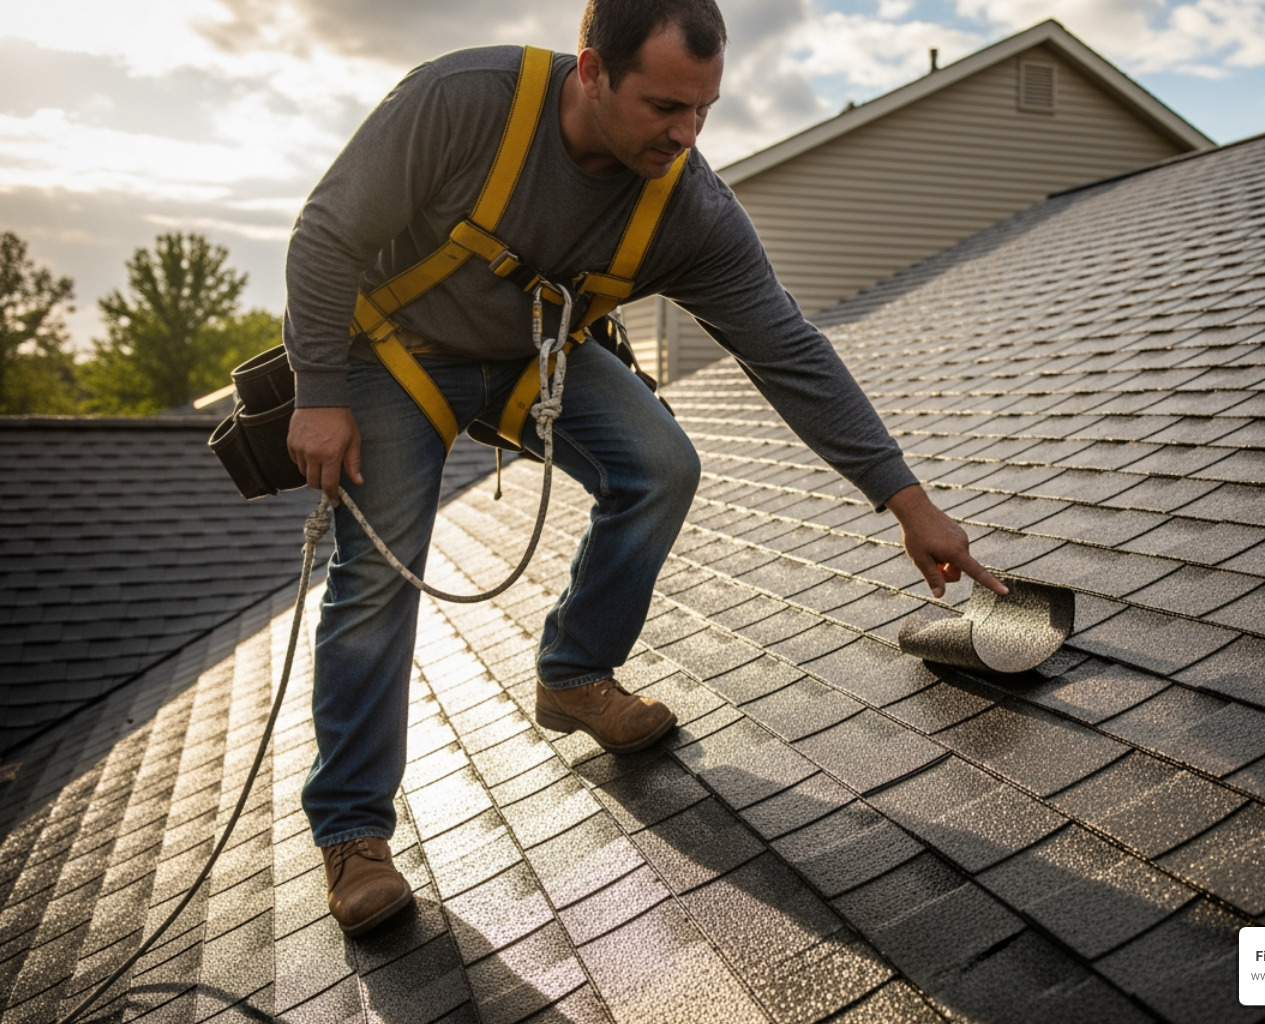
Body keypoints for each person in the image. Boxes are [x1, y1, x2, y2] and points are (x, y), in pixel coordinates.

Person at [282, 0, 1004, 937]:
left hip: (531, 359)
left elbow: (788, 348)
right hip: (392, 354)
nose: (685, 134)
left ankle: (575, 673)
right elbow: (325, 233)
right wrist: (318, 392)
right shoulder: (464, 101)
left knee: (662, 464)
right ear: (591, 72)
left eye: (703, 110)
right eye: (665, 106)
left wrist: (909, 504)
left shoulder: (688, 208)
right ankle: (351, 835)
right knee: (378, 576)